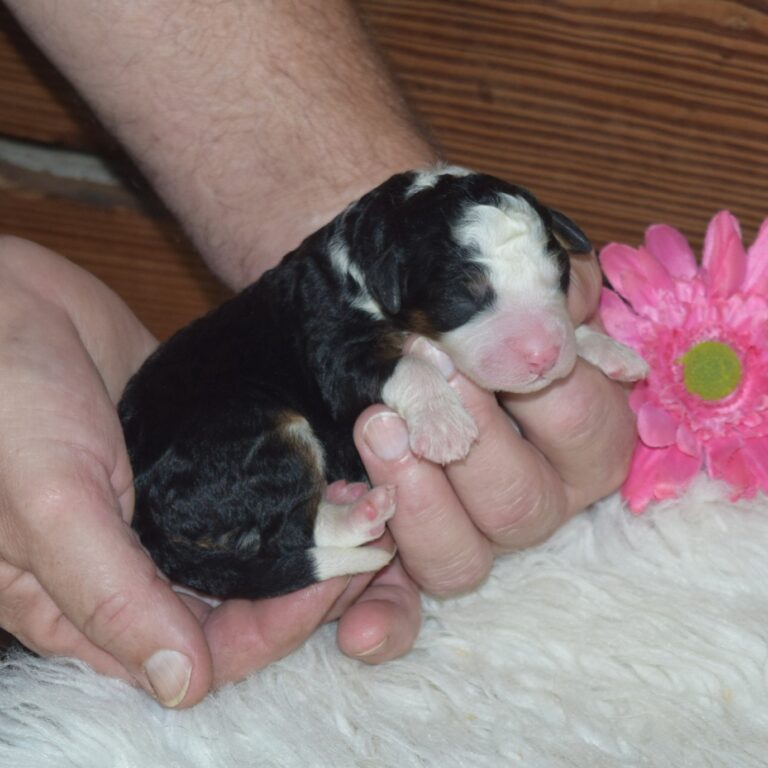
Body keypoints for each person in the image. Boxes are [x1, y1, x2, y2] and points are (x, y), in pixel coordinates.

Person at [0, 0, 636, 708]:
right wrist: (418, 391)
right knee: (276, 439)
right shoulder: (348, 304)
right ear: (397, 280)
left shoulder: (385, 264)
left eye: (552, 279)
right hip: (202, 450)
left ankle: (299, 540)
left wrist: (574, 335)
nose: (537, 339)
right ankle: (301, 539)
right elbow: (356, 365)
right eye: (473, 298)